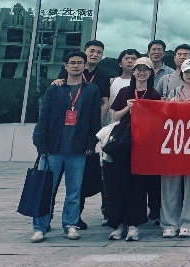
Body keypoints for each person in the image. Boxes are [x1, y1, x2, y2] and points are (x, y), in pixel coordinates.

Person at [29, 50, 103, 242]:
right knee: (47, 189)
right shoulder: (55, 89)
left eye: (79, 63)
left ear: (84, 66)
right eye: (72, 63)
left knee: (74, 191)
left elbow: (94, 119)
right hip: (53, 148)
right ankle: (40, 226)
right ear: (66, 66)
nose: (76, 66)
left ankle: (70, 224)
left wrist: (92, 141)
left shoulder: (91, 90)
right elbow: (44, 116)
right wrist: (40, 142)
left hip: (77, 149)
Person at [106, 57, 161, 241]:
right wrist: (128, 108)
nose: (141, 72)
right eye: (139, 69)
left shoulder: (153, 94)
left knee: (137, 186)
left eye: (145, 69)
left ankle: (133, 225)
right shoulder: (125, 91)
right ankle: (118, 224)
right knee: (118, 184)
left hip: (143, 145)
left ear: (150, 73)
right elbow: (115, 117)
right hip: (123, 143)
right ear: (134, 72)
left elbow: (158, 121)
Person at [161, 59, 190, 238]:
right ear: (181, 73)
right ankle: (169, 223)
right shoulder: (173, 92)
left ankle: (188, 223)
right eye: (187, 71)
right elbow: (163, 116)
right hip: (173, 143)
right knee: (170, 184)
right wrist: (169, 106)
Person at [107, 49, 139, 116]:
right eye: (126, 58)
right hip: (111, 120)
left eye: (133, 59)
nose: (130, 61)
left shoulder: (141, 83)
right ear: (120, 63)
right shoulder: (112, 81)